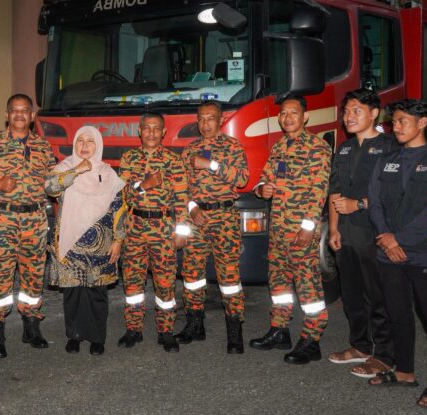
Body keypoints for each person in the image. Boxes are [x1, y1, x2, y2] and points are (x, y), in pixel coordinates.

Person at [367, 99, 427, 407]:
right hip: (388, 252)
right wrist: (387, 240)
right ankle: (404, 372)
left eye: (403, 121)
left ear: (423, 123)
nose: (397, 126)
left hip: (423, 253)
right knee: (398, 314)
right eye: (394, 122)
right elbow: (374, 201)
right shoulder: (387, 158)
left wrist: (398, 239)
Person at [0, 94, 57, 358]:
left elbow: (53, 181)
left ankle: (31, 326)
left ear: (32, 116)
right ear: (7, 115)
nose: (19, 114)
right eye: (14, 110)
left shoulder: (43, 146)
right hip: (3, 220)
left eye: (24, 110)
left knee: (34, 275)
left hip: (35, 220)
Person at [250, 93, 331, 364]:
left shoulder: (317, 148)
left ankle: (312, 339)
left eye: (293, 113)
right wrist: (262, 189)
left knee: (308, 288)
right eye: (283, 113)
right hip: (278, 231)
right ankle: (279, 329)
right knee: (279, 284)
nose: (288, 118)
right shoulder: (279, 146)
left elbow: (319, 191)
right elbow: (263, 180)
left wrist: (308, 228)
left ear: (305, 117)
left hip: (300, 232)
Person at [326, 89, 396, 378]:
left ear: (374, 113)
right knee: (352, 295)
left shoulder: (390, 147)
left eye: (356, 110)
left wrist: (359, 204)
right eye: (346, 111)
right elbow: (335, 190)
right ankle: (360, 346)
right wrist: (333, 228)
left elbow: (394, 193)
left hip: (374, 234)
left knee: (378, 296)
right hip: (346, 233)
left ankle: (385, 355)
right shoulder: (344, 149)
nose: (349, 117)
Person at [45, 126, 126, 356]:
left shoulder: (108, 173)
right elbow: (50, 187)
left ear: (98, 145)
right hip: (70, 243)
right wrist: (77, 170)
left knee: (96, 293)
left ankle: (97, 338)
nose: (84, 145)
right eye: (80, 140)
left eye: (90, 141)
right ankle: (74, 335)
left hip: (101, 245)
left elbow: (119, 208)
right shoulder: (64, 168)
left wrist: (118, 240)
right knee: (73, 293)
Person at [178, 100, 250, 353]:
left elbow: (242, 179)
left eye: (210, 118)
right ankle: (194, 324)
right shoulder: (189, 150)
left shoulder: (232, 146)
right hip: (197, 219)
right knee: (192, 275)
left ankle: (235, 330)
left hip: (224, 218)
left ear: (220, 120)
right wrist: (192, 208)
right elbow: (181, 188)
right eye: (201, 118)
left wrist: (211, 165)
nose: (205, 123)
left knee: (229, 277)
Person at [118, 112, 190, 353]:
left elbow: (182, 198)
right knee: (132, 283)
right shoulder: (129, 158)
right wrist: (143, 186)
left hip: (163, 229)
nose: (151, 133)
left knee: (165, 282)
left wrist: (182, 230)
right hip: (135, 228)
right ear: (139, 131)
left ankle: (166, 331)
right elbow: (122, 195)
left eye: (156, 128)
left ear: (164, 132)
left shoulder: (173, 160)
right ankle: (133, 329)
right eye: (146, 128)